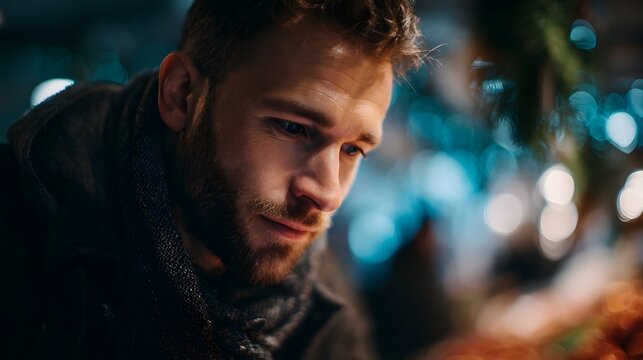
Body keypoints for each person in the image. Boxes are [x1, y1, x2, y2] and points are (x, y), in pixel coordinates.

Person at [0, 0, 423, 358]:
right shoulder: (25, 236)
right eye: (294, 128)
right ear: (182, 95)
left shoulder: (325, 301)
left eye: (353, 150)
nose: (327, 193)